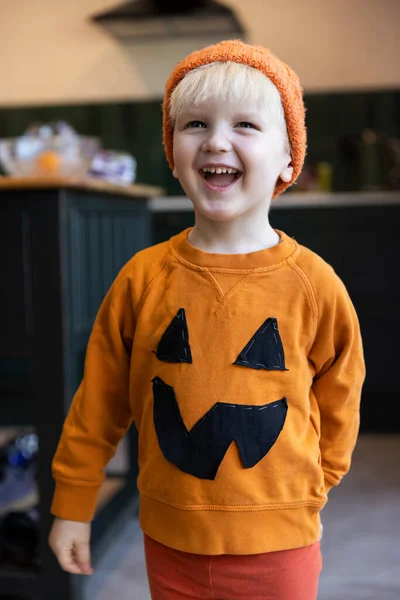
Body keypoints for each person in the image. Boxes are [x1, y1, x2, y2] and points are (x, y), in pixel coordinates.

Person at [49, 40, 365, 599]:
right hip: (170, 536)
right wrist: (73, 503)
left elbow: (341, 396)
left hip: (280, 542)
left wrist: (315, 482)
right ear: (172, 154)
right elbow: (98, 400)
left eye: (245, 124)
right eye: (195, 124)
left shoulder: (314, 286)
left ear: (289, 158)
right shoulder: (142, 278)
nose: (216, 140)